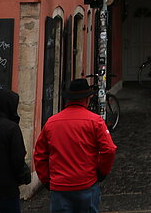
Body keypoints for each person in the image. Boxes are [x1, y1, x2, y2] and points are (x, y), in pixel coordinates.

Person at [33, 78, 117, 213]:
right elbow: (109, 149)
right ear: (87, 99)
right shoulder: (95, 121)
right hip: (86, 183)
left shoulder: (51, 123)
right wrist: (101, 173)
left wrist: (46, 180)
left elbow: (39, 154)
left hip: (59, 186)